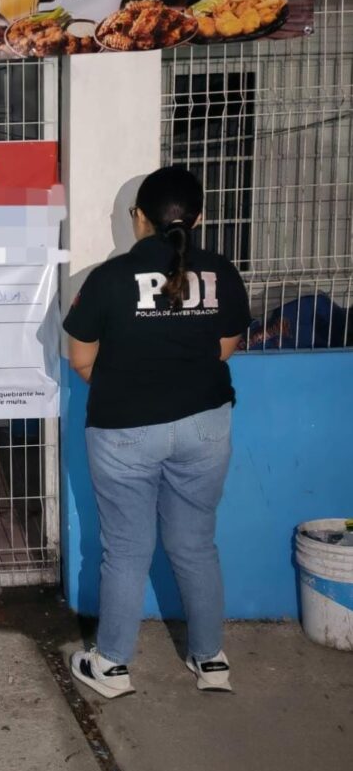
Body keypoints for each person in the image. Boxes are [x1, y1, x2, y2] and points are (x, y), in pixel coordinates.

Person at [63, 166, 251, 699]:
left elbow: (81, 359)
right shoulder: (222, 272)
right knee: (195, 544)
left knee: (126, 549)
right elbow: (225, 346)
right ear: (200, 218)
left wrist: (132, 384)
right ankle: (211, 660)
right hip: (205, 425)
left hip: (125, 431)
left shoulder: (108, 278)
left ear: (138, 218)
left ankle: (112, 666)